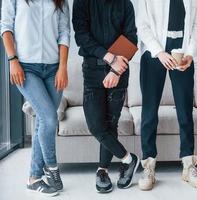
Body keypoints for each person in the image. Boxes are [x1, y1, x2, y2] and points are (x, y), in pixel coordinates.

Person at [1, 0, 70, 196]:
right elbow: (6, 26)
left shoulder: (60, 1)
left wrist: (63, 67)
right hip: (25, 67)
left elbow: (64, 32)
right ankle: (52, 167)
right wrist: (12, 60)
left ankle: (34, 178)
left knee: (43, 120)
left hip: (53, 68)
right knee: (49, 117)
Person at [72, 0, 139, 193]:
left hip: (119, 71)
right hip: (92, 70)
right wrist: (109, 58)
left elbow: (131, 38)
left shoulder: (125, 3)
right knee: (96, 126)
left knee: (111, 125)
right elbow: (82, 36)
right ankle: (128, 159)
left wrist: (115, 72)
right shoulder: (82, 2)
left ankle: (103, 170)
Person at [137, 0, 197, 190]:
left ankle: (188, 165)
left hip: (182, 53)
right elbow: (142, 24)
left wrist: (190, 53)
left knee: (185, 111)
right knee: (149, 113)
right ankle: (148, 167)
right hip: (153, 53)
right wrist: (159, 52)